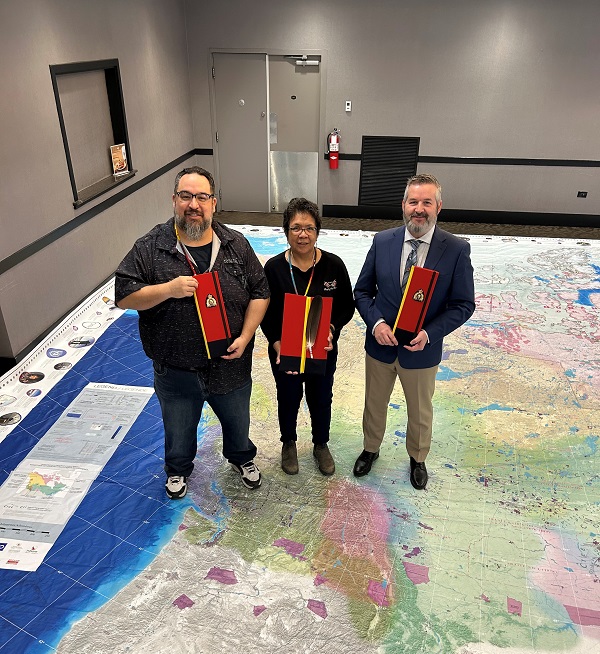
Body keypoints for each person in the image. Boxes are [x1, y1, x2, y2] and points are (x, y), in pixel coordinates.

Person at [115, 167, 270, 498]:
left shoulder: (235, 245)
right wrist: (167, 289)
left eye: (201, 197)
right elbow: (124, 295)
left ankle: (242, 458)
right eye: (186, 196)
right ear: (174, 200)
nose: (193, 204)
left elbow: (261, 291)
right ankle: (178, 470)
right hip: (176, 368)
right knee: (178, 428)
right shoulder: (150, 247)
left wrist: (244, 337)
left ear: (213, 203)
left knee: (237, 423)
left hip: (230, 364)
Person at [353, 174, 475, 488]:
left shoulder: (456, 249)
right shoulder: (383, 241)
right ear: (403, 205)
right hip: (380, 346)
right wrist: (377, 323)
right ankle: (371, 449)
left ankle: (417, 457)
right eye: (413, 202)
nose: (418, 209)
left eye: (426, 202)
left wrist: (431, 333)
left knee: (420, 411)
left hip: (422, 351)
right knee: (374, 403)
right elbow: (363, 292)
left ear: (438, 207)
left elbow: (463, 304)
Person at [261, 198, 354, 476]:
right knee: (288, 395)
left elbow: (346, 306)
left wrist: (332, 329)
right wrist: (275, 341)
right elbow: (264, 311)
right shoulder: (274, 268)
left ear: (317, 231)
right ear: (286, 231)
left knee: (321, 396)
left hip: (321, 348)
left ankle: (320, 443)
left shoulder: (333, 266)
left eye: (310, 228)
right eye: (296, 228)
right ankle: (288, 442)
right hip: (285, 347)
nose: (303, 234)